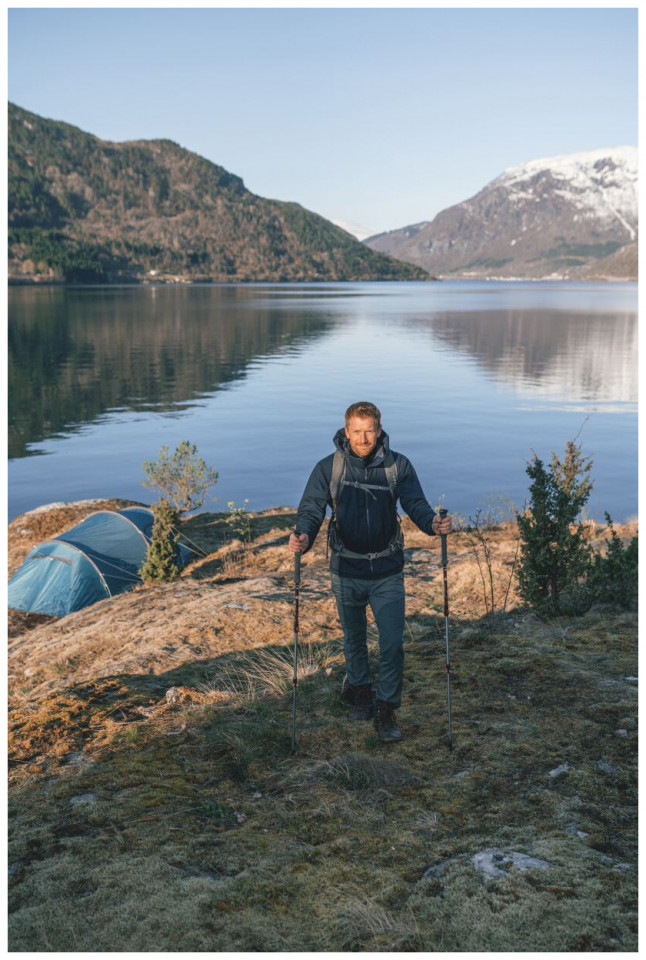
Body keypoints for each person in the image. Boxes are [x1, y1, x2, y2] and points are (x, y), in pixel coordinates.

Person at [289, 401, 452, 743]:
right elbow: (311, 509)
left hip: (387, 570)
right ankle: (360, 692)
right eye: (357, 431)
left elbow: (415, 504)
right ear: (346, 431)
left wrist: (432, 524)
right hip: (345, 568)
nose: (363, 439)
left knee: (392, 643)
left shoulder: (397, 465)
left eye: (369, 431)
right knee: (354, 638)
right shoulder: (328, 468)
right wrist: (303, 535)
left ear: (379, 430)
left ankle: (386, 708)